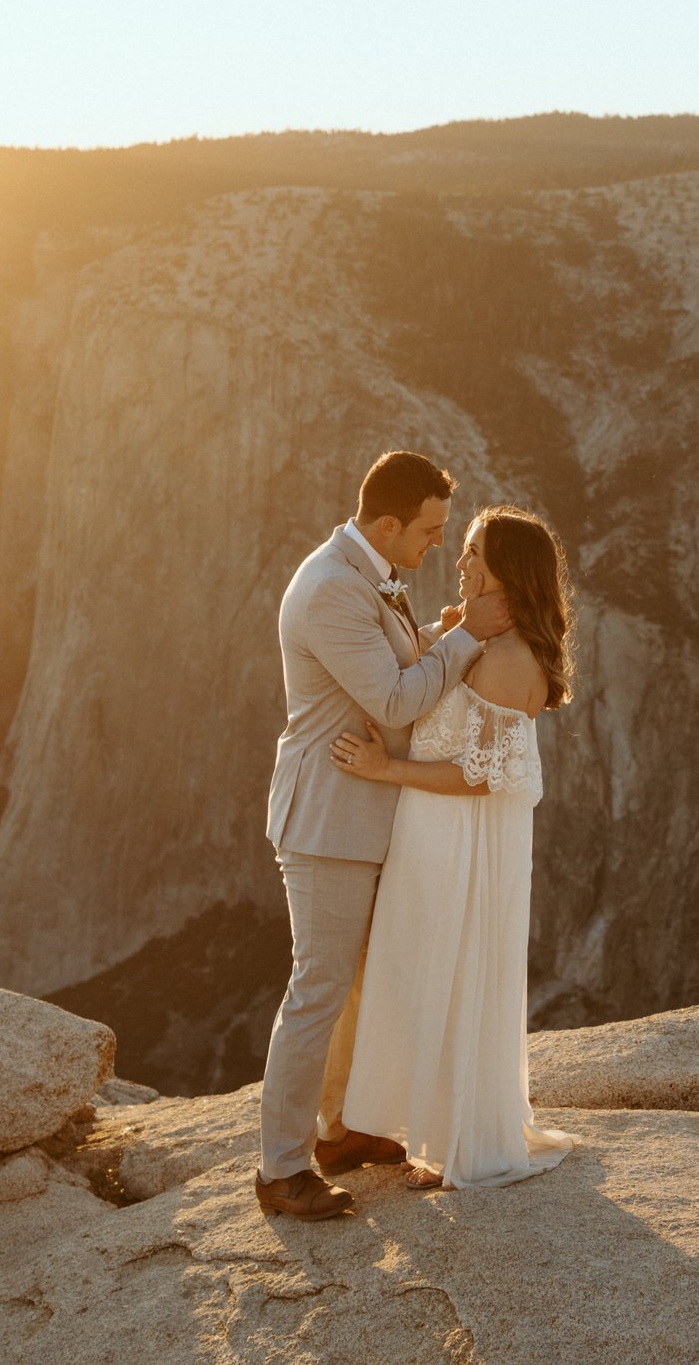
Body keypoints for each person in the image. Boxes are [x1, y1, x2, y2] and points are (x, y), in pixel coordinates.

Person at [253, 451, 511, 1220]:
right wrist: (468, 641)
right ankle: (280, 1169)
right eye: (431, 531)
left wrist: (441, 628)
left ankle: (339, 1131)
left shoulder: (363, 573)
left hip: (363, 811)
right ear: (389, 524)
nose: (439, 544)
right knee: (320, 989)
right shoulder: (333, 588)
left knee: (363, 982)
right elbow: (395, 700)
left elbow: (390, 656)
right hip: (331, 816)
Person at [329, 505, 578, 1189]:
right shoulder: (478, 641)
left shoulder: (509, 656)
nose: (461, 562)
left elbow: (482, 774)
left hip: (460, 839)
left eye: (473, 553)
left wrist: (386, 770)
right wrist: (451, 633)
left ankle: (461, 1140)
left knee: (453, 969)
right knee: (419, 971)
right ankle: (426, 1125)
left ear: (506, 571)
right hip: (429, 832)